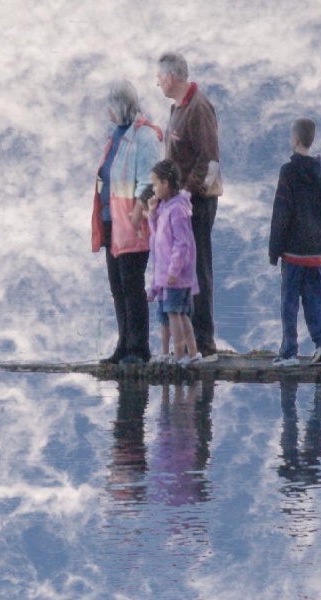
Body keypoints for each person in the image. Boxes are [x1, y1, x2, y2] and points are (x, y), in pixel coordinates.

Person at [91, 80, 163, 365]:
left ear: (122, 104)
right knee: (117, 286)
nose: (107, 111)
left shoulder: (144, 136)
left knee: (132, 285)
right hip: (111, 221)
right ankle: (123, 344)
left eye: (111, 105)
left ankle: (138, 348)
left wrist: (138, 210)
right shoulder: (116, 135)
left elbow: (149, 178)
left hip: (132, 222)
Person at [156, 52, 221, 360]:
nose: (157, 82)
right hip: (180, 203)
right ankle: (188, 344)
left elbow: (210, 161)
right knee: (184, 268)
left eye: (159, 76)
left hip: (197, 203)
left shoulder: (199, 107)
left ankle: (204, 344)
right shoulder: (178, 108)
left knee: (198, 268)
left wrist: (185, 193)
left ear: (171, 76)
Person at [269, 117, 321, 367]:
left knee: (289, 302)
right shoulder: (319, 171)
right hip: (315, 251)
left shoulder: (288, 171)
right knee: (314, 298)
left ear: (294, 140)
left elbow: (281, 212)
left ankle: (289, 351)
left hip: (294, 252)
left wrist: (274, 250)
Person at [146, 160, 200, 366]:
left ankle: (179, 356)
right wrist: (152, 213)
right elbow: (158, 235)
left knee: (175, 314)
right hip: (168, 275)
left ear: (166, 183)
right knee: (179, 313)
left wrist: (174, 270)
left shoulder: (177, 209)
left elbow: (183, 243)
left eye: (155, 184)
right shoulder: (166, 207)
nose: (153, 188)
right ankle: (191, 353)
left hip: (175, 276)